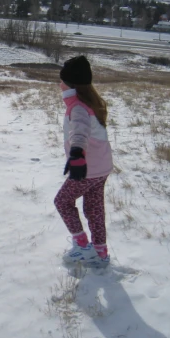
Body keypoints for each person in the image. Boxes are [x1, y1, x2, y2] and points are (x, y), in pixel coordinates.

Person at [53, 55, 114, 266]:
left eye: (61, 80)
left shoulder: (77, 107)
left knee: (62, 201)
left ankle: (82, 246)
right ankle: (100, 253)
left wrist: (77, 154)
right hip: (102, 168)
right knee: (94, 210)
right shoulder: (90, 102)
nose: (59, 84)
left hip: (88, 169)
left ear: (69, 84)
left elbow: (80, 132)